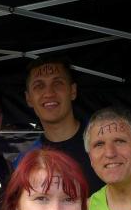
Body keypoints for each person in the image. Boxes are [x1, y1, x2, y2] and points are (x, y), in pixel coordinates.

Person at [16, 55, 104, 193]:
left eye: (57, 83)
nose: (49, 93)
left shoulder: (104, 142)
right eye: (39, 86)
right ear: (28, 99)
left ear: (73, 91)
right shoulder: (26, 161)